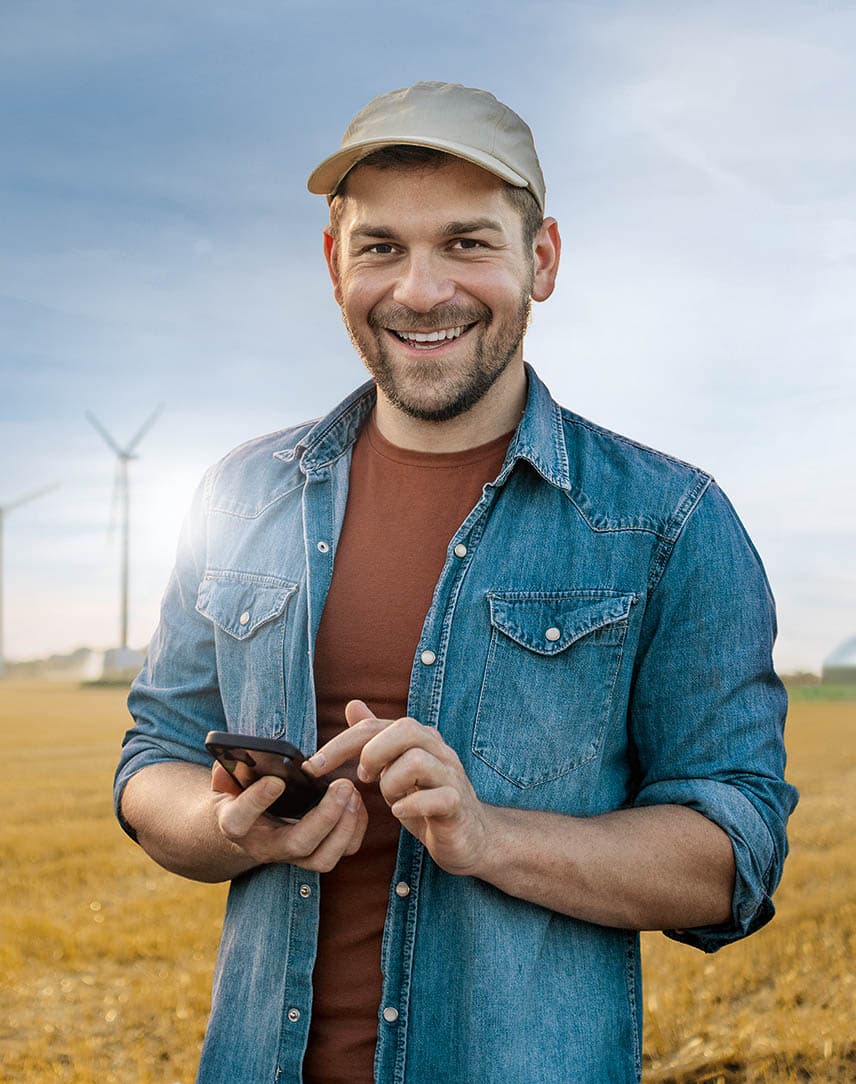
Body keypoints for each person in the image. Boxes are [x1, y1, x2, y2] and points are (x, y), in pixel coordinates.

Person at [114, 82, 798, 1084]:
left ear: (543, 259)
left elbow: (733, 853)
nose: (421, 290)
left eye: (468, 243)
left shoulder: (670, 522)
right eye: (381, 246)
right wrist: (225, 827)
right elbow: (151, 763)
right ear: (333, 263)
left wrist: (488, 836)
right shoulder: (236, 497)